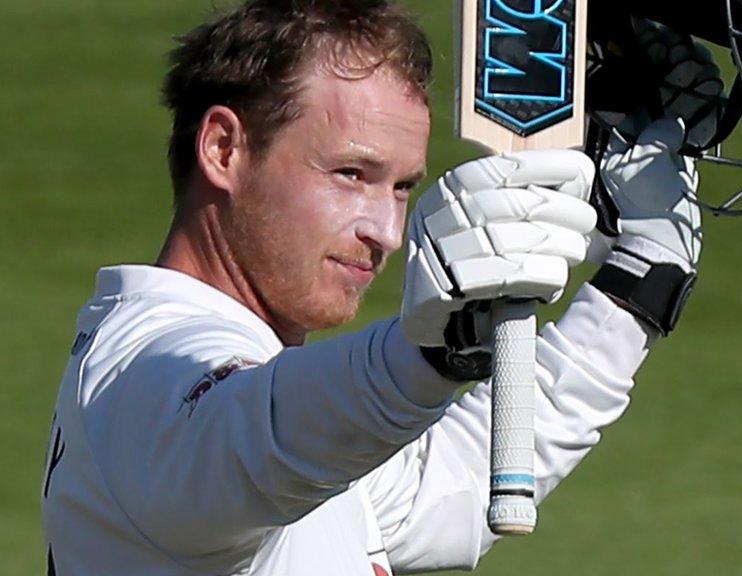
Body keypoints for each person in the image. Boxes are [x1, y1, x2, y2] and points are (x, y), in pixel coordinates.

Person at [40, 1, 704, 574]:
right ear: (223, 149)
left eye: (402, 187)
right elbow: (259, 433)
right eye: (351, 174)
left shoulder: (265, 421)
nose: (386, 232)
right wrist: (430, 352)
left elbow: (448, 484)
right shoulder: (143, 378)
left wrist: (639, 283)